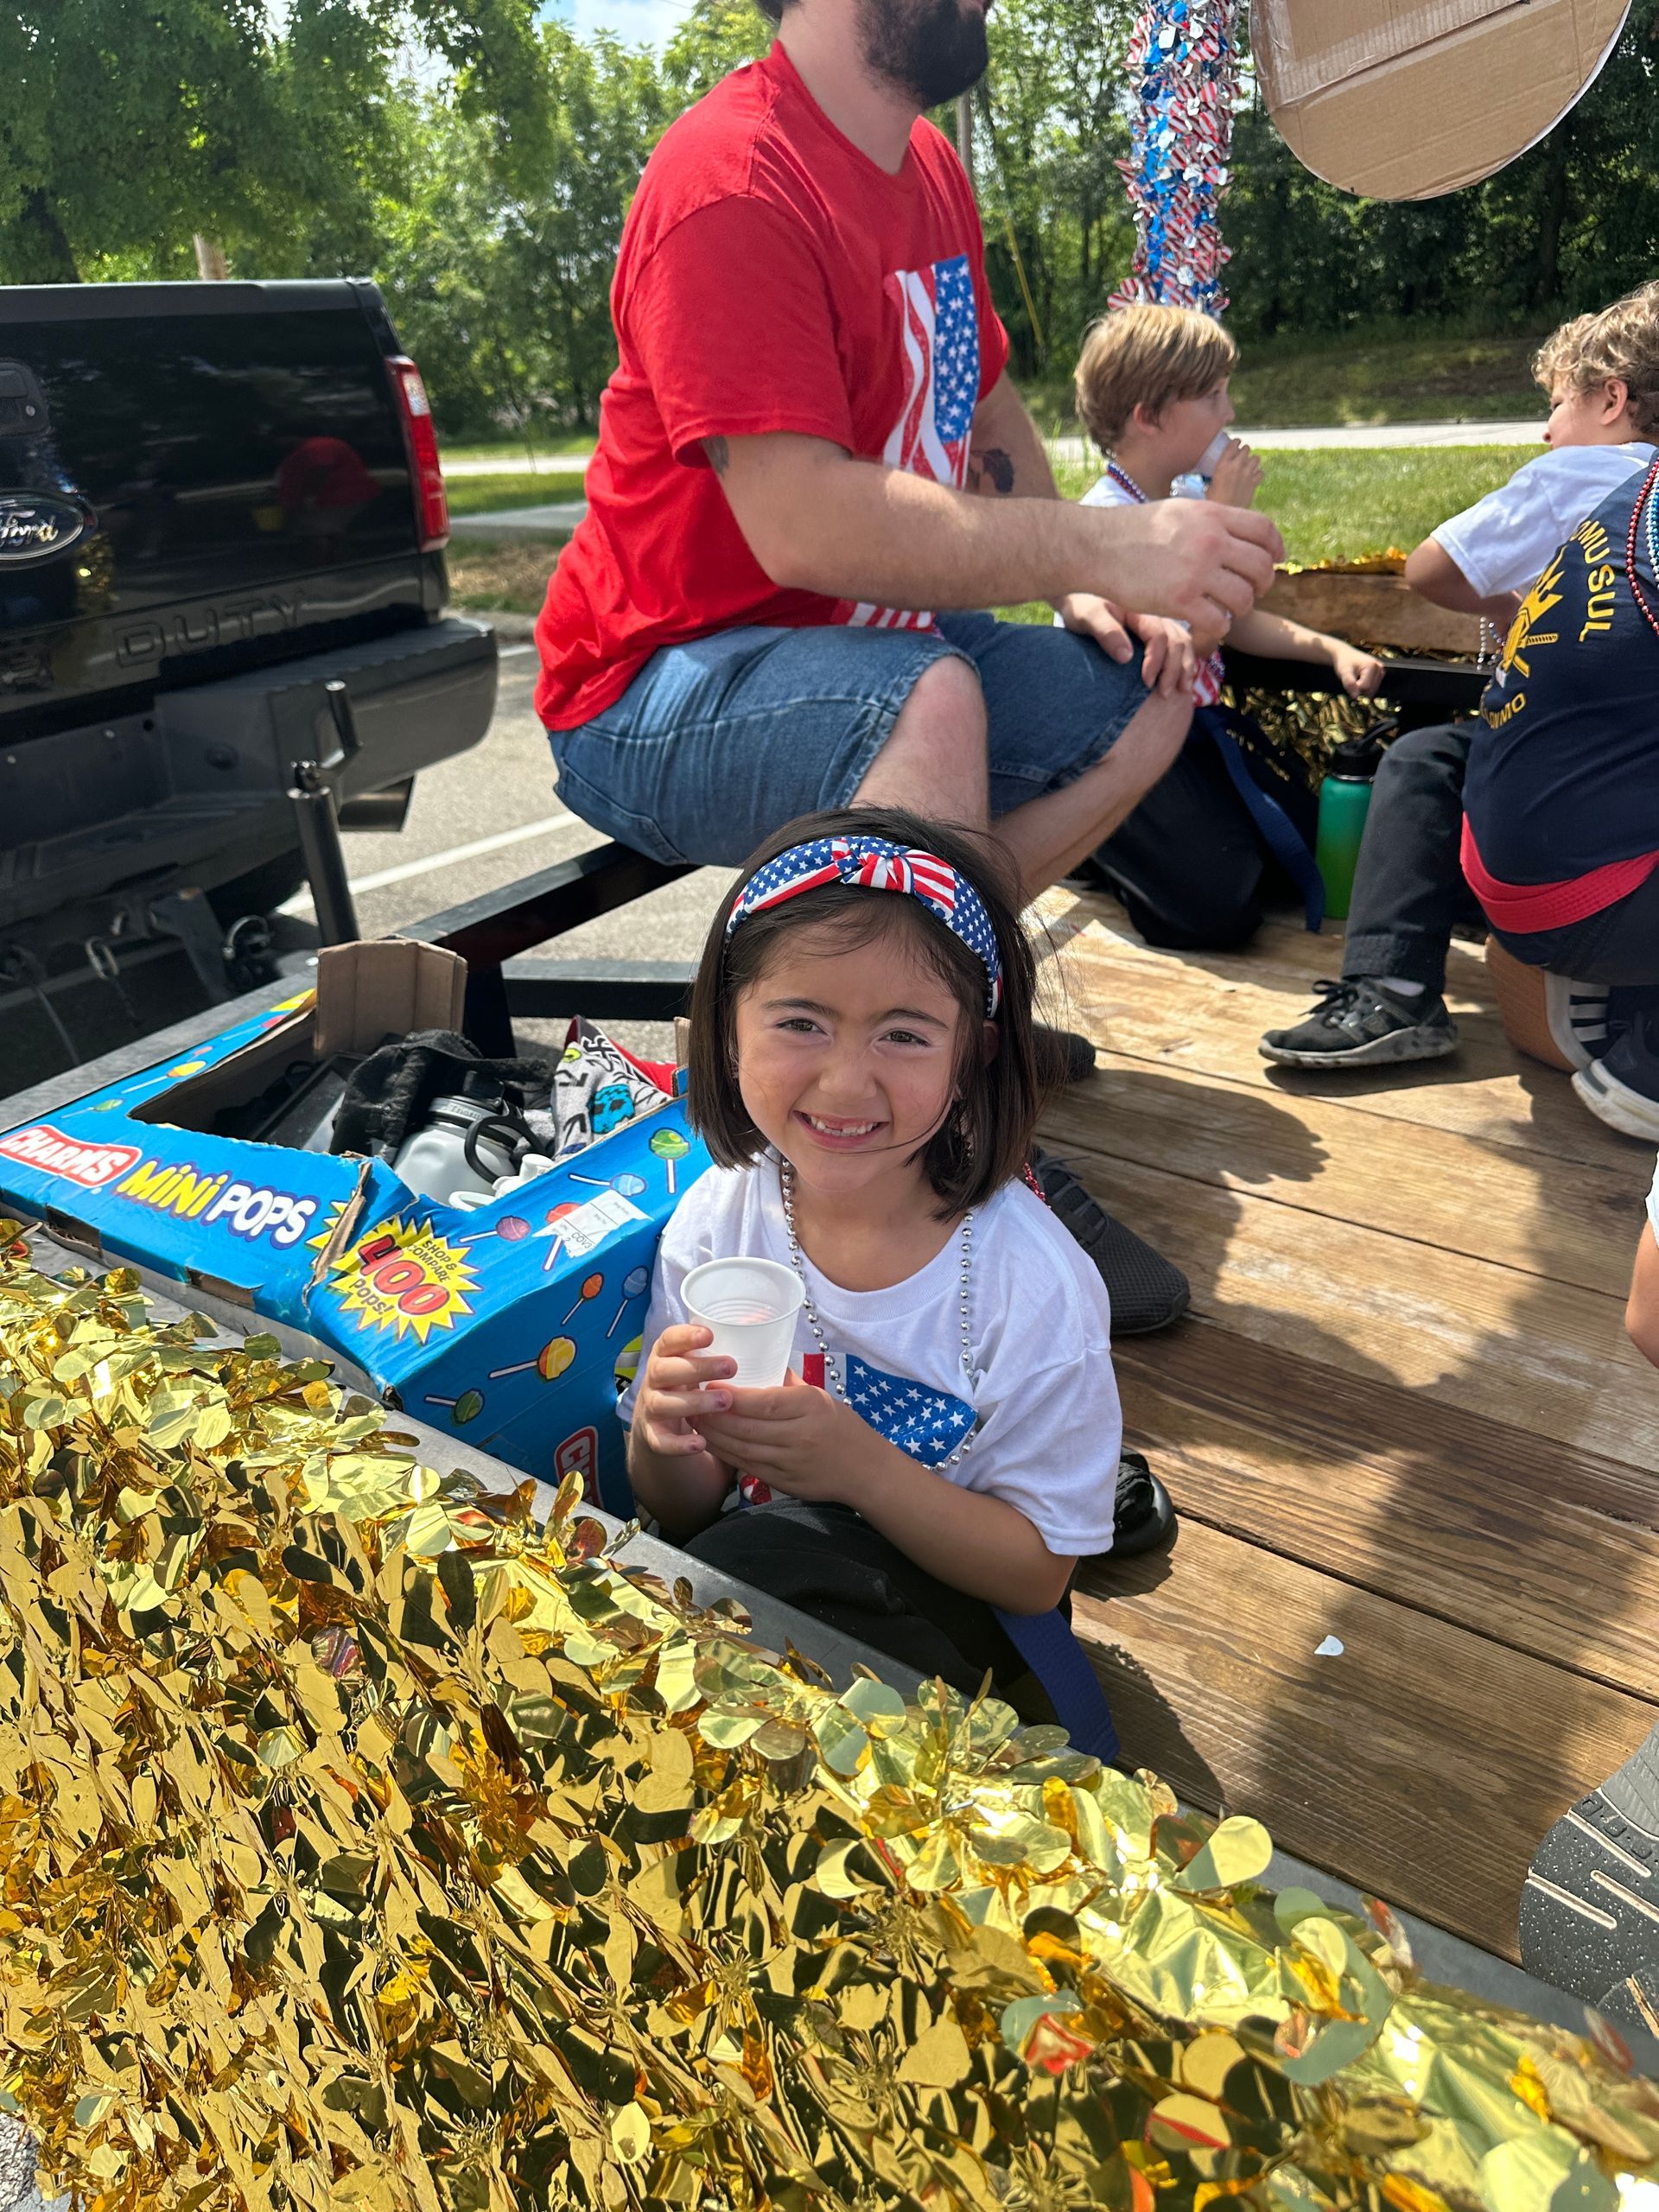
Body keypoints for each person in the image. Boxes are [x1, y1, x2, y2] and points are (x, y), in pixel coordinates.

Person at [531, 0, 1281, 917]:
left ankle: (942, 978)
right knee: (932, 702)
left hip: (872, 639)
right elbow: (804, 528)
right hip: (646, 687)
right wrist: (1104, 546)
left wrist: (1080, 590)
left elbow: (986, 398)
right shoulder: (730, 183)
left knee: (1157, 685)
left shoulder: (929, 165)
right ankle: (924, 1007)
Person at [620, 805, 1172, 1718]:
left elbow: (1035, 1579)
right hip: (760, 1559)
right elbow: (680, 1510)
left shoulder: (1034, 1287)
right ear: (724, 1030)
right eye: (800, 1021)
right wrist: (662, 1430)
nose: (846, 1082)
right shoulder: (721, 1220)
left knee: (740, 1593)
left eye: (905, 1034)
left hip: (966, 1604)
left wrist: (860, 1468)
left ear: (973, 1054)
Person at [1262, 284, 1659, 1076]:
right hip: (1608, 859)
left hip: (1519, 868)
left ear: (1612, 399)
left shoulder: (1580, 474)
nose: (1546, 429)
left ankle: (1391, 985)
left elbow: (1430, 567)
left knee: (1423, 759)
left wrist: (1519, 612)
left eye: (1556, 405)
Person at [1068, 305, 1384, 948]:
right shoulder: (1106, 522)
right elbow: (1178, 648)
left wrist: (1328, 650)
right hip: (1132, 745)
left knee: (1297, 850)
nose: (1230, 412)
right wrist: (1221, 516)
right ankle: (1094, 845)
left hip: (1198, 733)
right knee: (1218, 913)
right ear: (1150, 416)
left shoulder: (1184, 498)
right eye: (1213, 396)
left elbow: (1234, 623)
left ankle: (1167, 845)